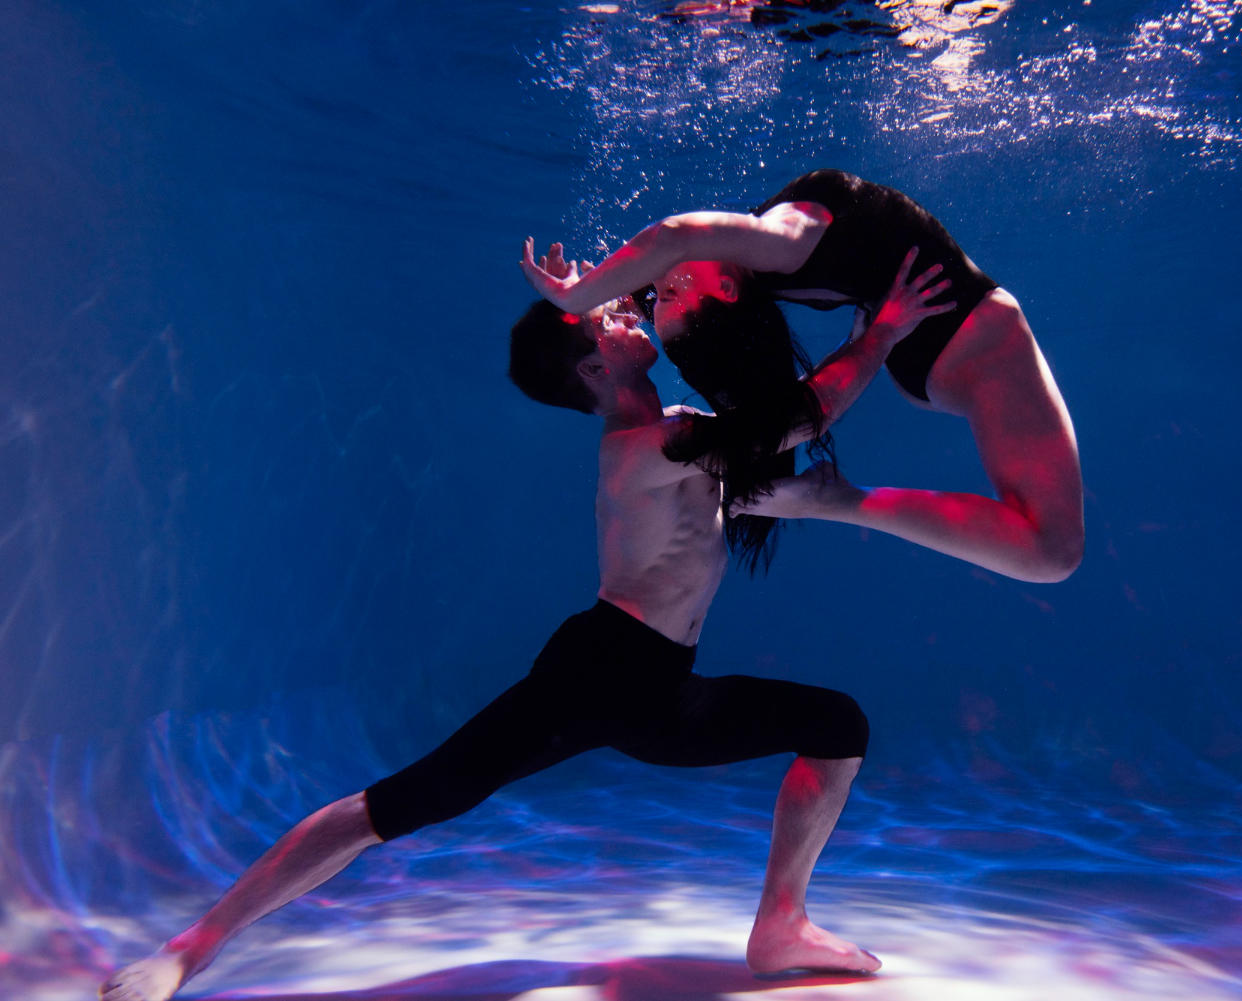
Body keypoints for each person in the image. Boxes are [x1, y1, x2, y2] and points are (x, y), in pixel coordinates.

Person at [98, 247, 952, 1001]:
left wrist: (592, 294)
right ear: (593, 370)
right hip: (592, 676)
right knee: (397, 804)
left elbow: (747, 473)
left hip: (663, 690)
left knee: (836, 725)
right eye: (612, 322)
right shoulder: (641, 451)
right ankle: (186, 951)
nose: (631, 313)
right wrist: (881, 332)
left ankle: (780, 926)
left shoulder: (676, 430)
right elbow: (801, 418)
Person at [521, 168, 1085, 584]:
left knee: (1050, 551)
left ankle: (835, 499)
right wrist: (577, 296)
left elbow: (674, 299)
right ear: (724, 291)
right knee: (1051, 552)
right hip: (977, 341)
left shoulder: (740, 278)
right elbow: (672, 237)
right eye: (664, 290)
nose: (650, 285)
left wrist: (593, 305)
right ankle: (840, 502)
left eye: (655, 295)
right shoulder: (780, 245)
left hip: (914, 337)